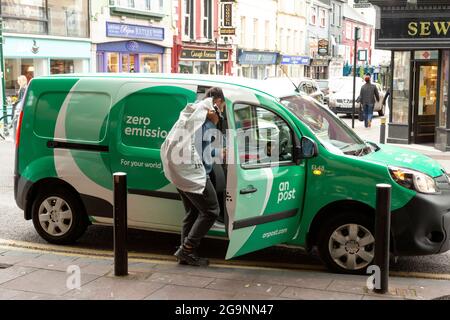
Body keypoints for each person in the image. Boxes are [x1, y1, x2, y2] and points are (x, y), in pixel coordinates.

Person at [166, 87, 226, 266]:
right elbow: (200, 153)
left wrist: (219, 151)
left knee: (192, 212)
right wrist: (220, 152)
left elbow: (201, 150)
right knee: (211, 211)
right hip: (193, 175)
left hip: (180, 174)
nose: (222, 112)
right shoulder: (204, 124)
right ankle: (187, 249)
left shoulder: (196, 120)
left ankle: (186, 253)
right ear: (217, 103)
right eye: (222, 107)